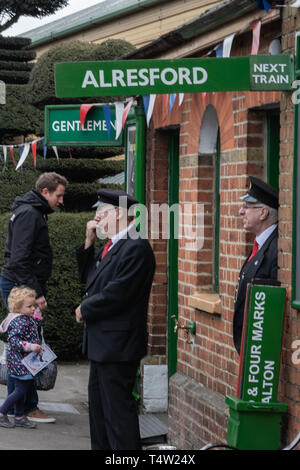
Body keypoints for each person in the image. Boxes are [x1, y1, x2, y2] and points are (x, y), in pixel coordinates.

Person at [75, 189, 156, 450]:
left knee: (118, 417)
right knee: (99, 415)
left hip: (118, 346)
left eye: (102, 212)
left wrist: (85, 309)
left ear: (120, 213)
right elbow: (90, 281)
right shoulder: (112, 245)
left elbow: (118, 293)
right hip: (103, 344)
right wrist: (88, 243)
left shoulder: (136, 246)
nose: (96, 218)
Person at [0, 172, 68, 423]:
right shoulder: (30, 213)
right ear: (45, 192)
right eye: (58, 195)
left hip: (21, 285)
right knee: (25, 349)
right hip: (21, 287)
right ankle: (26, 407)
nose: (61, 201)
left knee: (25, 348)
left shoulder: (31, 211)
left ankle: (22, 407)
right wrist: (36, 295)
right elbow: (19, 258)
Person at [233, 176, 279, 354]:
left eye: (246, 207)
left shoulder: (276, 248)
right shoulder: (261, 244)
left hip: (262, 352)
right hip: (250, 348)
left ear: (263, 213)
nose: (240, 211)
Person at [0, 287, 42, 429]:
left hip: (21, 361)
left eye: (34, 306)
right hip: (21, 362)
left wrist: (37, 316)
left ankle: (19, 416)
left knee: (21, 389)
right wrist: (31, 347)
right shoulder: (19, 321)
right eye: (29, 306)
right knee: (20, 391)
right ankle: (1, 413)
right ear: (18, 307)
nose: (33, 309)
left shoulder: (25, 318)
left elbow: (33, 326)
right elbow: (14, 341)